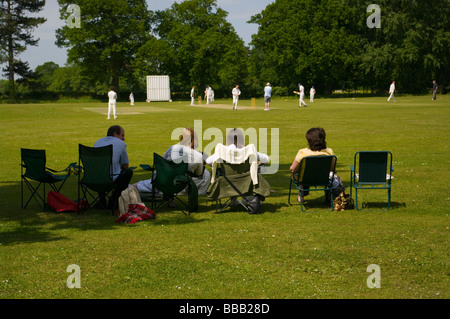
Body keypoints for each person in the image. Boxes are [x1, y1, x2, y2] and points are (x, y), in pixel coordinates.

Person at [134, 127, 210, 197]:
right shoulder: (198, 156)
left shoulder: (173, 148)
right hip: (181, 185)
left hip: (163, 182)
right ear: (195, 140)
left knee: (135, 186)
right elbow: (199, 173)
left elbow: (162, 163)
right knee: (206, 174)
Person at [290, 127, 341, 203]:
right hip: (324, 178)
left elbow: (293, 169)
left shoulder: (303, 153)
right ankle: (330, 197)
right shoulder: (329, 152)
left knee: (295, 174)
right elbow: (332, 168)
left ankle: (301, 195)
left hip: (305, 179)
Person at [94, 125, 133, 208]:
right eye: (122, 135)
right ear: (115, 134)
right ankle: (114, 200)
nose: (124, 138)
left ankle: (102, 200)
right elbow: (125, 166)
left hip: (94, 179)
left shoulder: (97, 142)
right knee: (128, 172)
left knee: (102, 171)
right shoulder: (121, 144)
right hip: (110, 180)